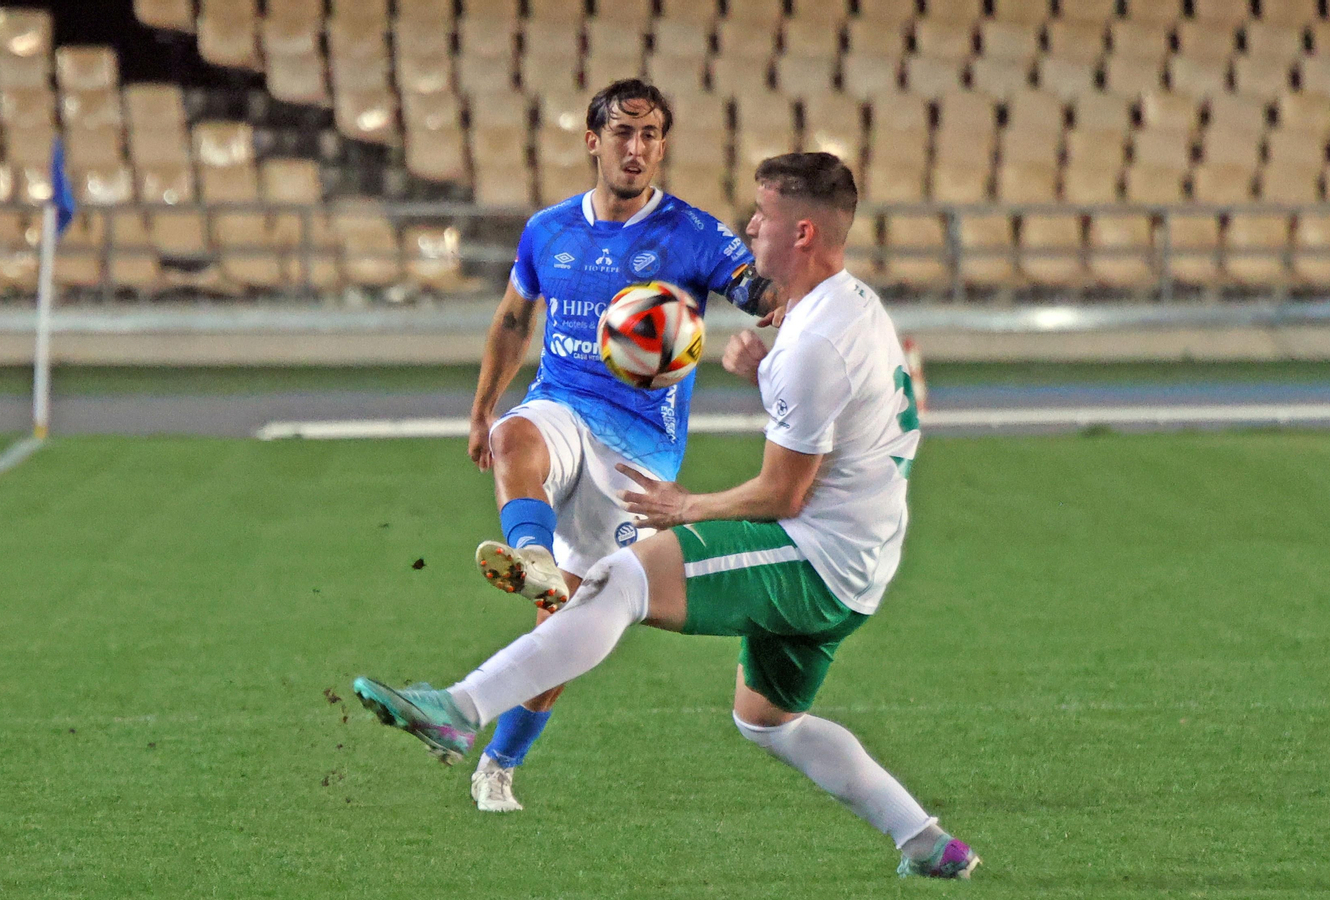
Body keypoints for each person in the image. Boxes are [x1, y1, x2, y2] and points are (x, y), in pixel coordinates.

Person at [356, 152, 980, 879]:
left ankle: (459, 709)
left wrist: (689, 506)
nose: (750, 226)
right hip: (863, 559)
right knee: (767, 721)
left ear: (803, 233)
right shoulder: (844, 308)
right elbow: (831, 405)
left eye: (764, 217)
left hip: (817, 557)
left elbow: (783, 497)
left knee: (619, 582)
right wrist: (762, 371)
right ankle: (927, 842)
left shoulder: (813, 346)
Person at [462, 79, 775, 812]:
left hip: (638, 457)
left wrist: (781, 309)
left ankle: (498, 764)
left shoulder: (693, 233)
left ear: (663, 145)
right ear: (592, 140)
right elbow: (513, 322)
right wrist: (481, 411)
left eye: (652, 135)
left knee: (561, 629)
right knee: (515, 436)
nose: (637, 149)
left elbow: (761, 292)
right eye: (624, 133)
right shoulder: (547, 230)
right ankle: (531, 556)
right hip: (562, 406)